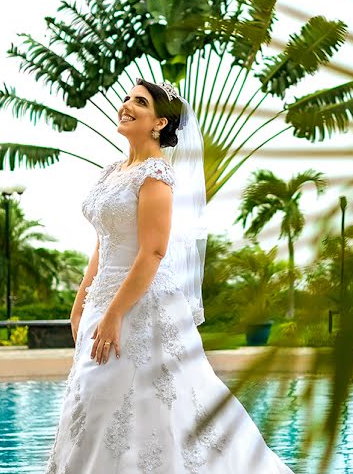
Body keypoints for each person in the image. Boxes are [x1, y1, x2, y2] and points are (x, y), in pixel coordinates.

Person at [44, 77, 294, 473]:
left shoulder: (156, 176)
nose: (126, 105)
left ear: (160, 123)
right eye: (127, 98)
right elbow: (102, 243)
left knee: (153, 403)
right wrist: (82, 301)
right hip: (101, 304)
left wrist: (114, 314)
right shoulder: (113, 170)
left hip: (141, 307)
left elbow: (154, 251)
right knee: (94, 400)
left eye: (139, 102)